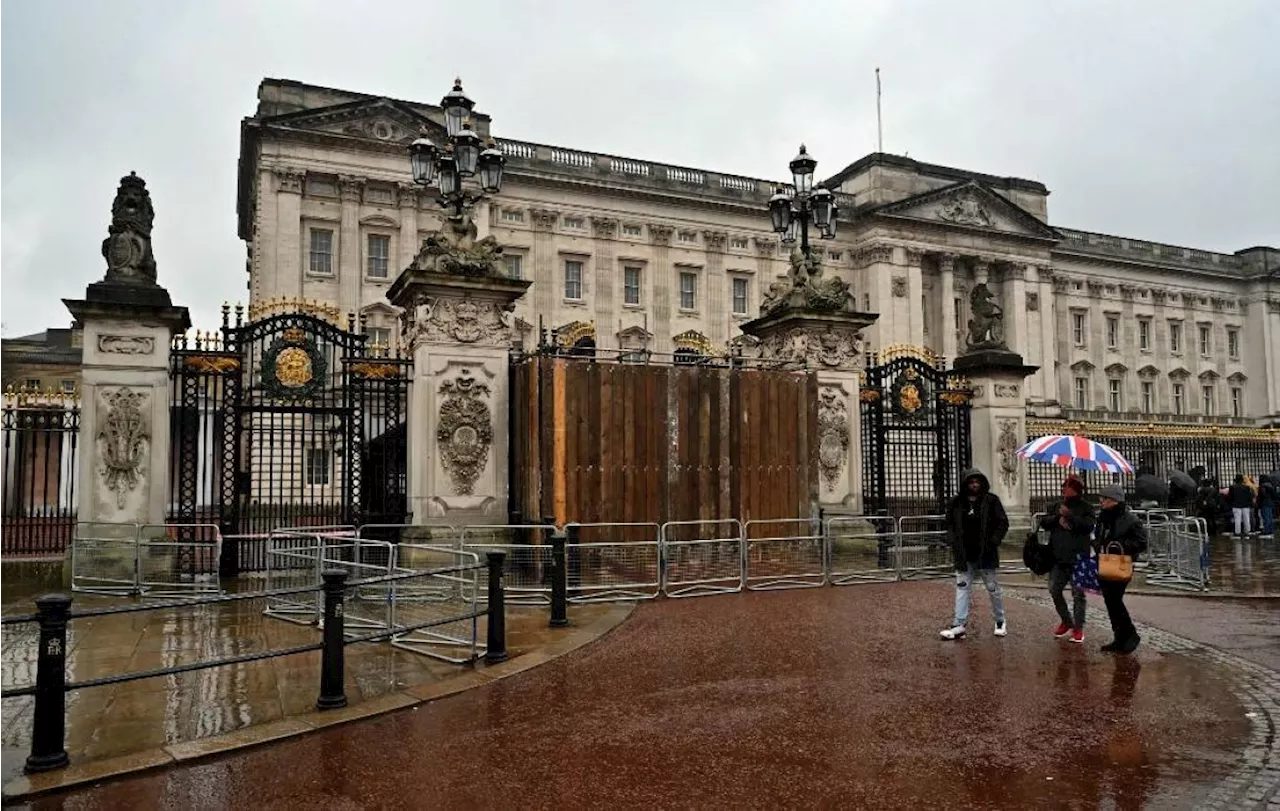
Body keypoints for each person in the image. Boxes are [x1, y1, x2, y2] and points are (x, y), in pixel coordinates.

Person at [939, 469, 1010, 640]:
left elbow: (1002, 522)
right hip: (964, 553)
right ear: (965, 484)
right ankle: (959, 624)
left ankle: (1000, 620)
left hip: (985, 553)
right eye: (971, 482)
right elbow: (949, 523)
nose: (975, 485)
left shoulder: (991, 501)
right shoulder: (956, 502)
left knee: (993, 589)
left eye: (977, 482)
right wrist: (951, 538)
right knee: (962, 588)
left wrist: (994, 540)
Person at [1040, 475, 1095, 643]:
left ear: (1076, 490)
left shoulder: (1087, 507)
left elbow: (1088, 526)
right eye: (1064, 486)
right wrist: (1057, 518)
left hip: (1079, 557)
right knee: (1054, 590)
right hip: (1058, 557)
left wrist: (1070, 516)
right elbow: (1044, 522)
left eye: (1068, 487)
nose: (1064, 489)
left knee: (1078, 595)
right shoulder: (1057, 505)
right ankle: (1066, 620)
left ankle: (1078, 628)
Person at [1094, 485, 1148, 654]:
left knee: (1115, 600)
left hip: (1122, 563)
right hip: (1105, 561)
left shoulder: (1131, 520)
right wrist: (1098, 545)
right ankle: (1119, 638)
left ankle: (1130, 635)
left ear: (1114, 500)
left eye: (1105, 498)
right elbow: (1098, 537)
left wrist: (1120, 546)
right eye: (1101, 498)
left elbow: (1141, 543)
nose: (1101, 501)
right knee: (1110, 602)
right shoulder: (1103, 518)